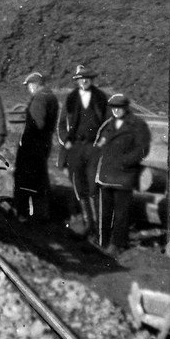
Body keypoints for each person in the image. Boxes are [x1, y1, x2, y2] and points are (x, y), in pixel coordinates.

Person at [93, 93, 151, 256]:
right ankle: (101, 242)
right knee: (104, 211)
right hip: (106, 175)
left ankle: (117, 244)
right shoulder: (108, 124)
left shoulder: (137, 125)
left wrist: (124, 162)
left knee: (121, 212)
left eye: (119, 108)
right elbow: (99, 143)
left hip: (124, 175)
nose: (116, 111)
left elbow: (142, 149)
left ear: (126, 108)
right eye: (113, 108)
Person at [58, 64, 109, 236]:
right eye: (81, 78)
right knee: (79, 185)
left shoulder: (101, 97)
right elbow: (61, 124)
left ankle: (99, 227)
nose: (84, 81)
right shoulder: (71, 98)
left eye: (87, 78)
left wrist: (102, 142)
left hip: (94, 147)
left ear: (92, 80)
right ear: (77, 81)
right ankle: (88, 224)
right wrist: (67, 142)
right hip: (76, 147)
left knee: (94, 186)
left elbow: (109, 124)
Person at [13, 71, 60, 221]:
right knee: (40, 177)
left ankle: (23, 213)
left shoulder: (39, 99)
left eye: (29, 86)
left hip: (33, 144)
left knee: (25, 178)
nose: (28, 89)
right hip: (44, 143)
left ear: (34, 85)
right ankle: (42, 213)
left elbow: (36, 124)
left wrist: (25, 140)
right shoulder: (51, 96)